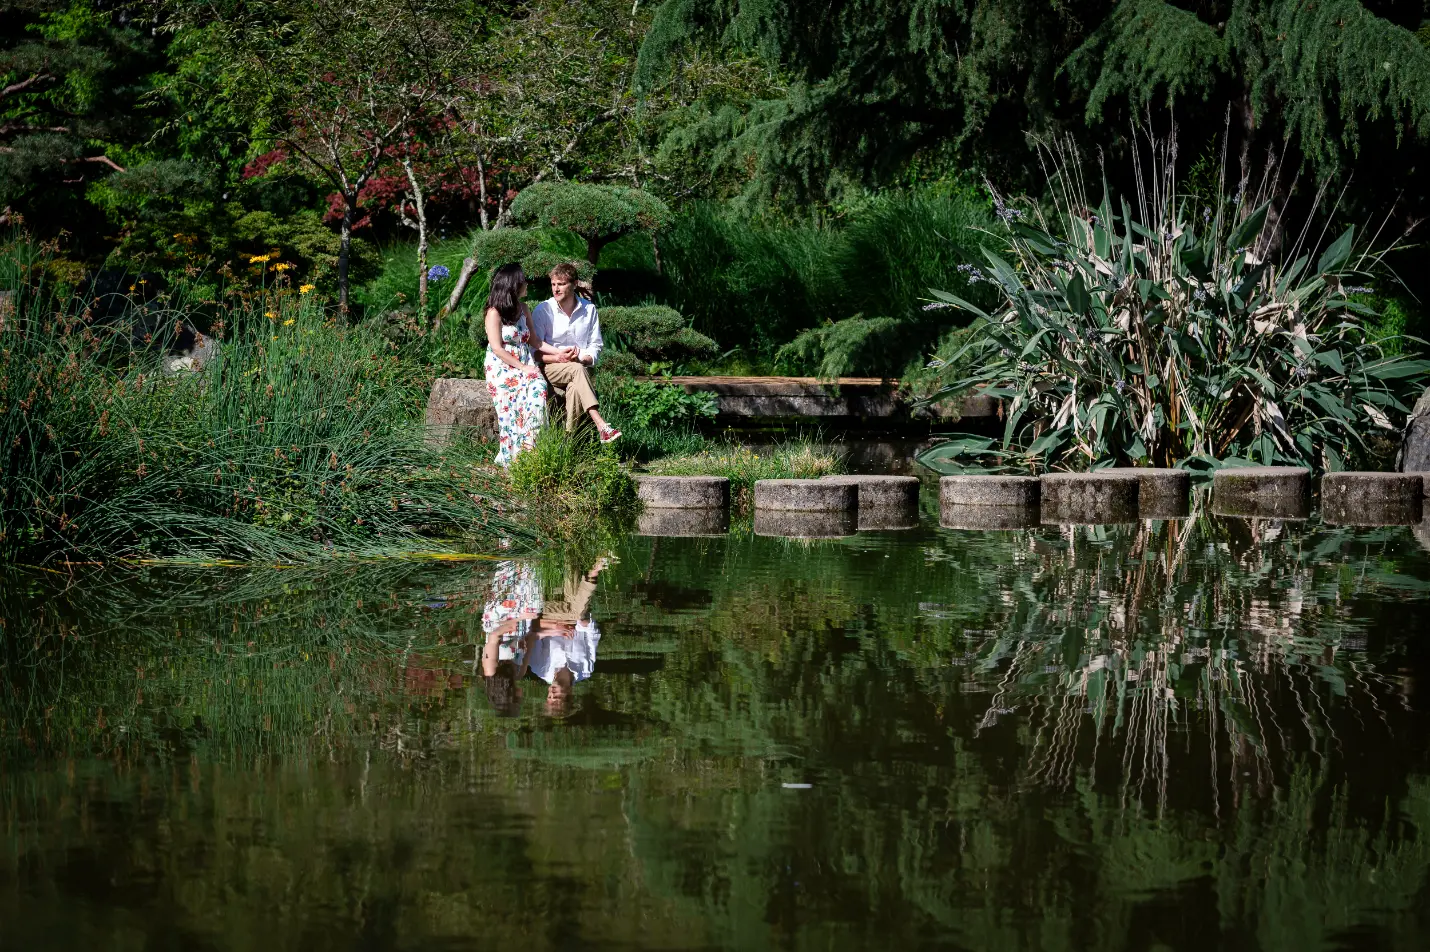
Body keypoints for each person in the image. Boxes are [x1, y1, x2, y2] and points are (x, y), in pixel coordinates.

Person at [529, 262, 621, 443]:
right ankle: (601, 424)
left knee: (574, 386)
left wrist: (584, 358)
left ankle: (567, 441)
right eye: (553, 284)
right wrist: (558, 357)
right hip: (550, 368)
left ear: (575, 284)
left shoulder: (589, 309)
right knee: (576, 369)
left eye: (561, 284)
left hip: (579, 367)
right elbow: (535, 351)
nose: (556, 289)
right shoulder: (543, 310)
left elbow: (595, 345)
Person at [482, 263, 557, 466]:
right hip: (502, 366)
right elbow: (497, 348)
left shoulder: (524, 308)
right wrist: (523, 368)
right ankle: (510, 457)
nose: (527, 284)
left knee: (538, 389)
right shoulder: (494, 312)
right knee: (512, 402)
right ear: (513, 285)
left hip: (525, 361)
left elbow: (535, 341)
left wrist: (559, 354)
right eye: (523, 281)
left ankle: (531, 450)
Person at [526, 556, 612, 716]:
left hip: (546, 618)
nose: (552, 692)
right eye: (557, 696)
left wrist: (555, 629)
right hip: (574, 618)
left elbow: (532, 633)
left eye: (550, 696)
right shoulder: (586, 669)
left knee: (575, 608)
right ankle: (571, 557)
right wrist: (584, 624)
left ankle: (592, 569)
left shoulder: (540, 669)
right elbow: (592, 638)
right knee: (577, 609)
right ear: (570, 694)